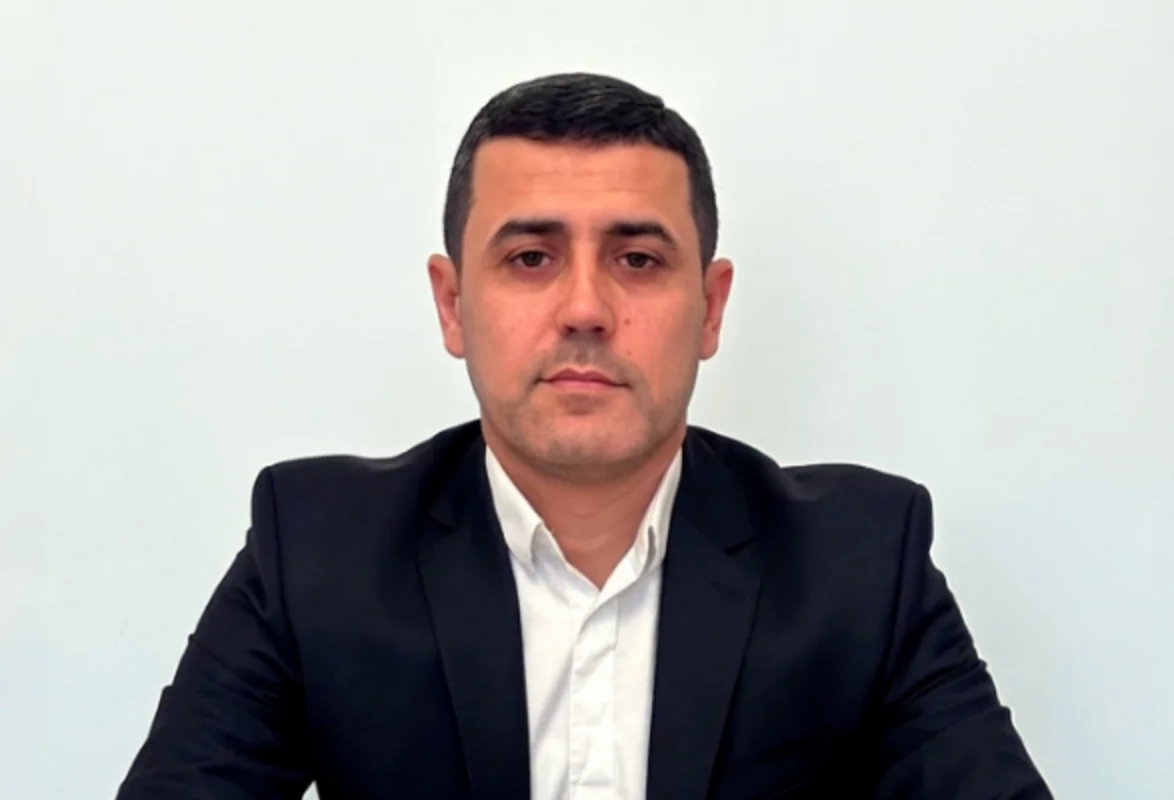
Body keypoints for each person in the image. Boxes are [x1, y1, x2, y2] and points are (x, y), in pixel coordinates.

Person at [117, 73, 1051, 799]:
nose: (585, 308)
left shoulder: (860, 564)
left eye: (637, 259)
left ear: (711, 307)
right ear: (452, 304)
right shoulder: (318, 550)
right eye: (531, 258)